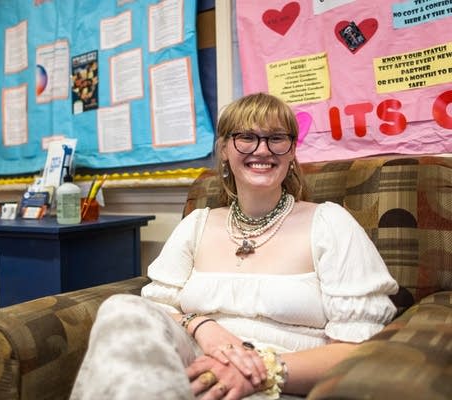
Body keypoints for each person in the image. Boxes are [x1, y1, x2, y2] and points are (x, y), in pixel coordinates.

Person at [69, 93, 399, 400]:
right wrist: (202, 325)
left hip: (279, 380)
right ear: (225, 149)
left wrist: (262, 370)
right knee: (119, 308)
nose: (263, 149)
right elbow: (158, 310)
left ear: (292, 151)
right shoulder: (197, 224)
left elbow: (360, 346)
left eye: (277, 138)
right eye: (246, 137)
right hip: (190, 365)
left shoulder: (330, 224)